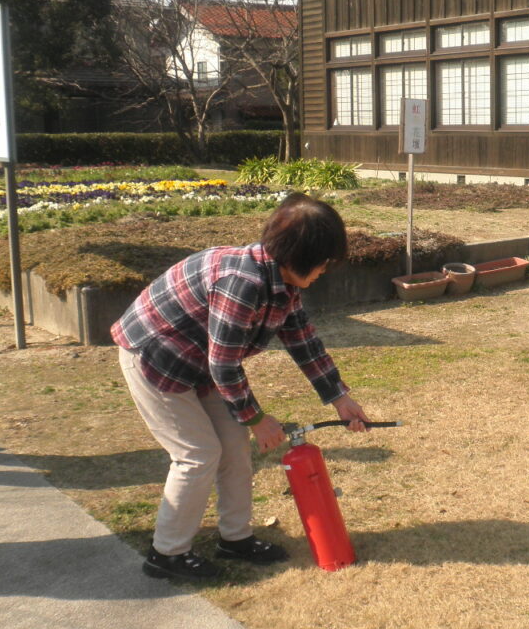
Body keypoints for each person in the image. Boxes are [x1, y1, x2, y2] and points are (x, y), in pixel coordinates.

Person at [112, 192, 369, 581]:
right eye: (322, 262)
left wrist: (339, 397)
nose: (324, 270)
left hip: (201, 362)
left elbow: (302, 339)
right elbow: (224, 364)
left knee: (234, 447)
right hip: (156, 358)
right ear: (298, 256)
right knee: (197, 455)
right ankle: (167, 553)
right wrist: (257, 419)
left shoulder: (282, 280)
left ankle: (235, 538)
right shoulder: (242, 282)